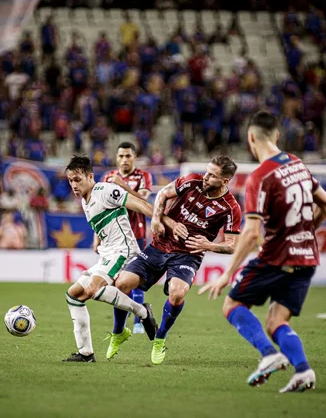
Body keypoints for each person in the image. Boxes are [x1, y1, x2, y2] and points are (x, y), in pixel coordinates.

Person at [199, 111, 326, 393]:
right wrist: (304, 232)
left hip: (277, 257)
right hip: (307, 257)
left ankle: (269, 355)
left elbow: (250, 234)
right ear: (276, 135)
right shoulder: (297, 164)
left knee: (233, 306)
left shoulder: (260, 177)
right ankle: (304, 372)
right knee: (276, 321)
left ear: (251, 138)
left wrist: (226, 274)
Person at [109, 155, 242, 365]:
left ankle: (160, 338)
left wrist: (208, 245)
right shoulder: (192, 181)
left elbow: (232, 245)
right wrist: (155, 219)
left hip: (188, 255)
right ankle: (118, 332)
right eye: (207, 171)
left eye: (212, 176)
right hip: (160, 245)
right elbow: (162, 193)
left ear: (225, 181)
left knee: (178, 293)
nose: (205, 177)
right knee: (122, 283)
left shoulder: (230, 207)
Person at [62, 156, 185, 363]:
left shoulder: (105, 190)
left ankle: (142, 312)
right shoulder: (86, 200)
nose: (74, 185)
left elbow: (139, 204)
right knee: (73, 295)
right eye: (71, 180)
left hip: (122, 251)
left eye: (78, 179)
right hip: (107, 254)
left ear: (90, 177)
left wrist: (164, 221)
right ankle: (86, 353)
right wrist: (99, 240)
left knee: (93, 289)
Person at [99, 142, 153, 335]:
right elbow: (101, 209)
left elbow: (144, 200)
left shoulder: (143, 176)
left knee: (134, 279)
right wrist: (97, 237)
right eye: (121, 156)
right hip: (113, 237)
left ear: (134, 157)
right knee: (116, 282)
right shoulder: (107, 178)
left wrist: (122, 186)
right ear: (116, 158)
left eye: (128, 156)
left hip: (135, 236)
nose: (124, 160)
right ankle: (122, 324)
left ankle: (139, 322)